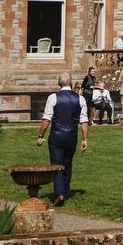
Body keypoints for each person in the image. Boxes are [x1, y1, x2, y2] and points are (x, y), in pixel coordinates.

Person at [36, 72, 89, 207]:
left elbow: (46, 119)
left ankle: (59, 194)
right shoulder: (80, 99)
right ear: (71, 83)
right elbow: (84, 121)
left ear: (59, 83)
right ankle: (65, 191)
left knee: (56, 165)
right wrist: (85, 139)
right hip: (71, 136)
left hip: (56, 136)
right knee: (68, 164)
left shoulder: (53, 98)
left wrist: (40, 135)